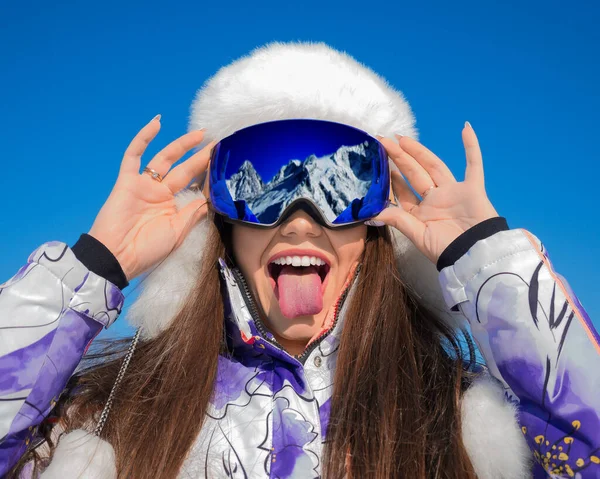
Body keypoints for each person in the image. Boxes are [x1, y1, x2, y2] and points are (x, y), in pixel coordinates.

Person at [1, 42, 598, 479]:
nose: (302, 219)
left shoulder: (459, 416)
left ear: (378, 226)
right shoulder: (114, 413)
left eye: (342, 189)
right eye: (263, 187)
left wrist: (488, 262)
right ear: (221, 226)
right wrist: (94, 267)